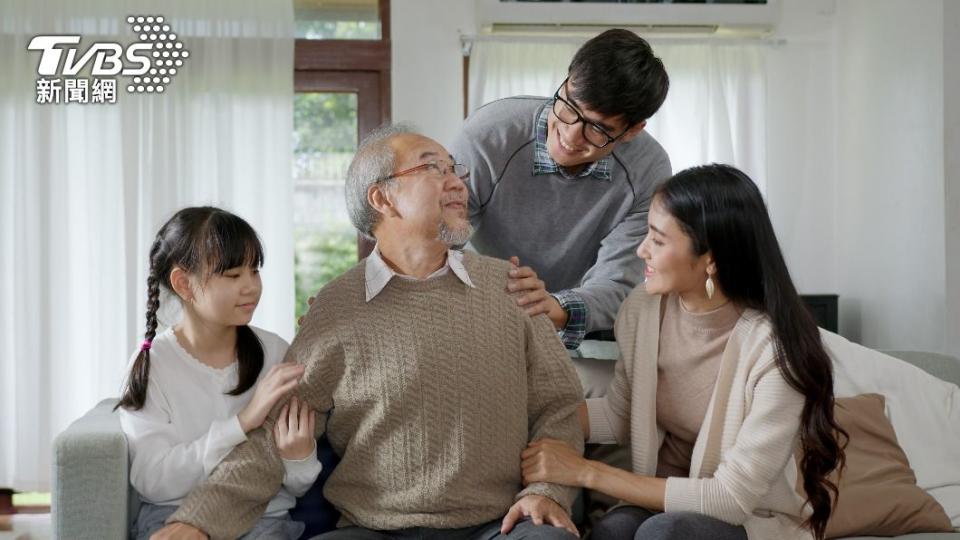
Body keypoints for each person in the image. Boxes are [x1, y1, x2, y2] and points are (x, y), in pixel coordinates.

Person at [148, 126, 585, 540]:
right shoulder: (335, 310)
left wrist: (546, 491)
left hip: (499, 525)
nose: (457, 183)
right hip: (373, 530)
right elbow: (269, 440)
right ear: (382, 198)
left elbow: (559, 404)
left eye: (456, 170)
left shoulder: (509, 287)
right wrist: (198, 523)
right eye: (434, 168)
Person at [519, 164, 846, 540]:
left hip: (750, 521)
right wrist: (525, 414)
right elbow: (622, 414)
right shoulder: (643, 309)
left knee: (666, 533)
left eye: (658, 241)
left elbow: (730, 498)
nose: (642, 250)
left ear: (711, 259)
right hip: (660, 505)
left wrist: (583, 470)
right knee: (613, 529)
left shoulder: (777, 352)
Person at [450, 28, 672, 355]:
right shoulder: (489, 136)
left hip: (585, 323)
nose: (569, 135)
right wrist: (488, 285)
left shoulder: (646, 169)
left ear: (633, 130)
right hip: (487, 304)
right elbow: (440, 239)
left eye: (597, 129)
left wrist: (555, 306)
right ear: (567, 81)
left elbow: (619, 282)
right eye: (569, 107)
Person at [116, 206, 322, 540]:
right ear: (184, 283)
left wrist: (300, 458)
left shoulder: (276, 353)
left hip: (263, 519)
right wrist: (242, 423)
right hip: (175, 518)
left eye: (254, 271)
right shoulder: (153, 366)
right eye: (233, 275)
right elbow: (153, 481)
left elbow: (295, 486)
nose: (251, 287)